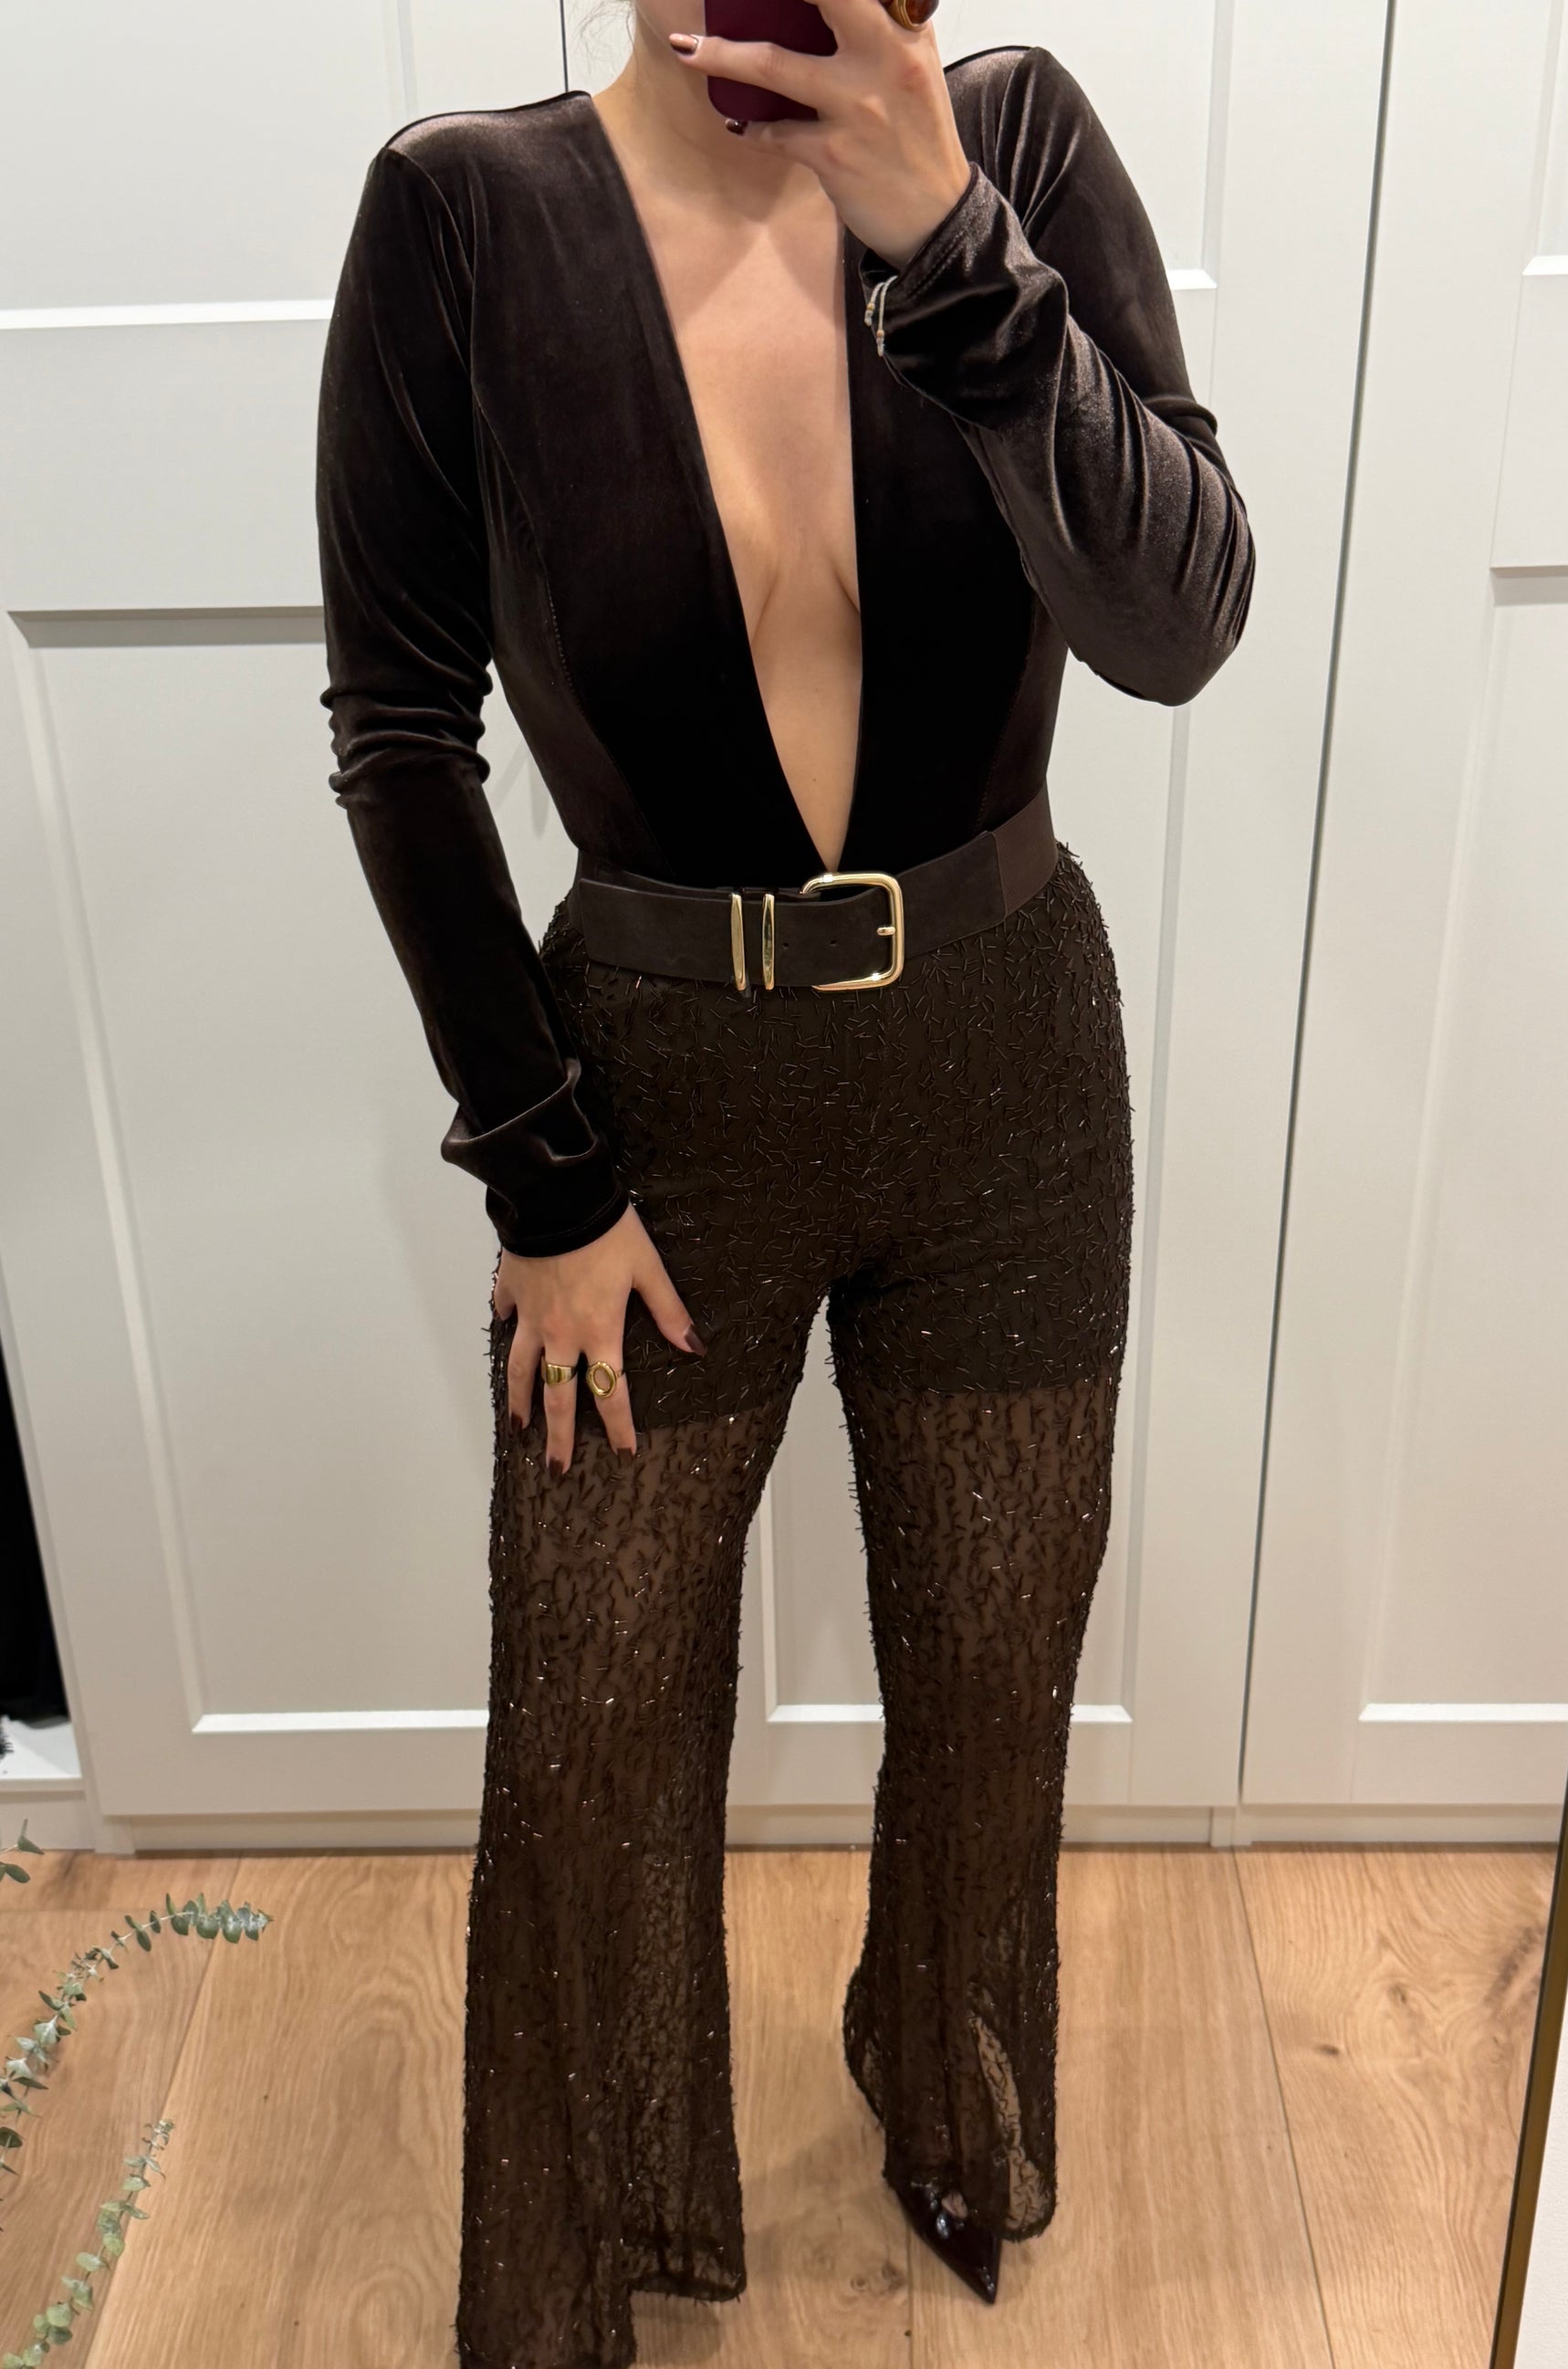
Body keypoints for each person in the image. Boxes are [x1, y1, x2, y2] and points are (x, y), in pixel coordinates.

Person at [315, 1, 1254, 2361]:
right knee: (592, 1713)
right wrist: (541, 1178)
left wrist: (951, 241)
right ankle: (590, 2236)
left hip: (1007, 1063)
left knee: (993, 1666)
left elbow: (1176, 628)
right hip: (652, 1097)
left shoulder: (1013, 152)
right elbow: (402, 730)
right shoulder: (465, 214)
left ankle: (942, 2092)